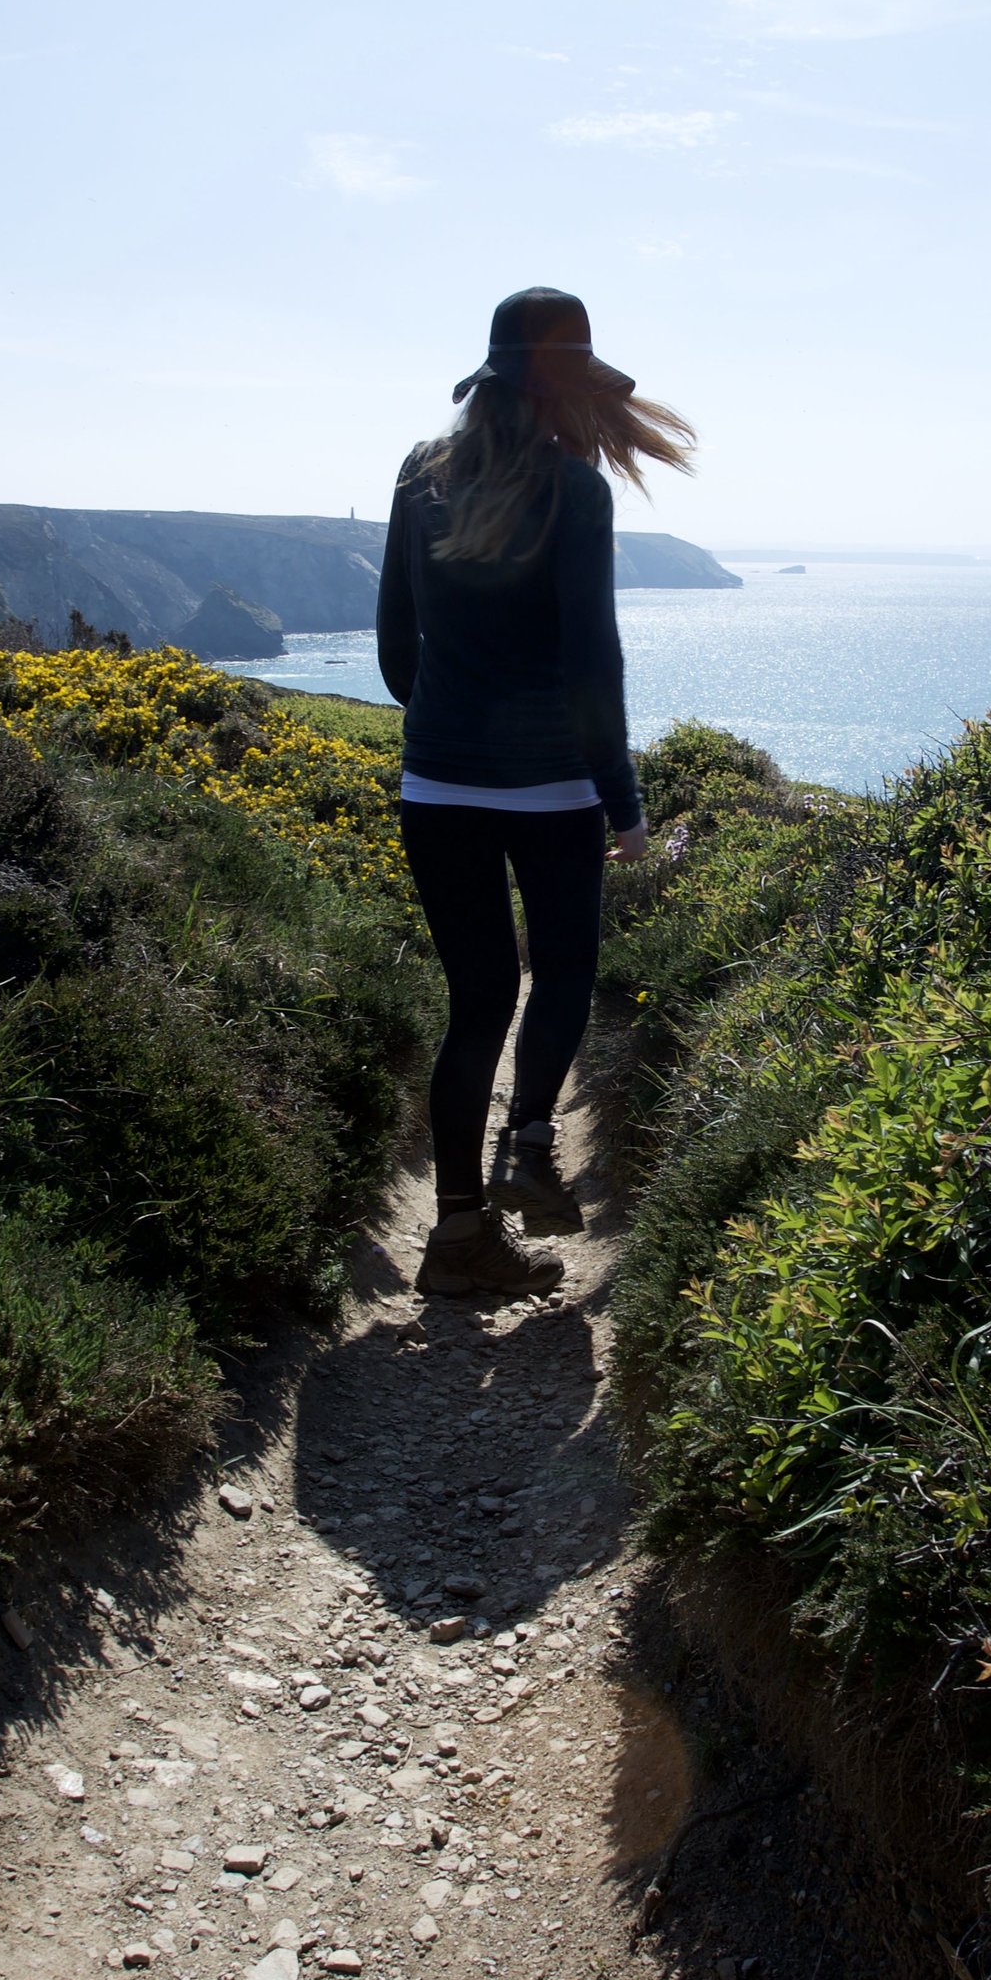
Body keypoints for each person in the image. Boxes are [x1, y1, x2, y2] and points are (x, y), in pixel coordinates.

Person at [376, 287, 695, 1297]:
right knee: (559, 972)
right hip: (553, 786)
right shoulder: (577, 491)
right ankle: (529, 1139)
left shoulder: (418, 476)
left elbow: (394, 649)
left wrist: (447, 728)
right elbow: (590, 661)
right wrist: (627, 805)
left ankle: (458, 1235)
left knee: (476, 1004)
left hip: (436, 783)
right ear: (563, 389)